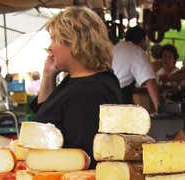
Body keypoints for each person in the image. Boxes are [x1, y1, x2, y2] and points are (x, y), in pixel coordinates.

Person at [32, 7, 122, 162]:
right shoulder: (79, 81)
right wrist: (48, 75)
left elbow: (83, 158)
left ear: (74, 42)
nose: (50, 47)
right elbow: (45, 114)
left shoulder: (88, 92)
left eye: (54, 39)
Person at [112, 26, 159, 110]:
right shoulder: (137, 51)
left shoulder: (117, 47)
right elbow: (149, 81)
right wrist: (159, 107)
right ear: (143, 40)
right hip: (118, 99)